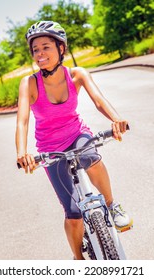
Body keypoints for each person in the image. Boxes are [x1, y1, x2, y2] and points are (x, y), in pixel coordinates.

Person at [16, 21, 133, 260]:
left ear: (61, 49)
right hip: (49, 148)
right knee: (73, 213)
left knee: (90, 155)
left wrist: (116, 119)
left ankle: (111, 205)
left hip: (76, 133)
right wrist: (22, 152)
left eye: (45, 47)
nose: (39, 54)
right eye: (35, 49)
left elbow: (99, 101)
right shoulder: (29, 83)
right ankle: (78, 261)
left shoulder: (77, 74)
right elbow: (22, 121)